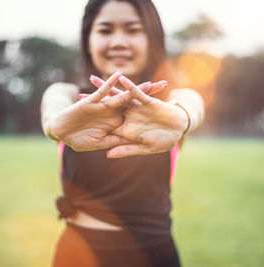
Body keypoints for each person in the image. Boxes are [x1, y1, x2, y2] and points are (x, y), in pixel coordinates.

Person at [40, 0, 204, 266]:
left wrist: (185, 116)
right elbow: (53, 108)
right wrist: (53, 124)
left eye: (133, 30)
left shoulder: (169, 107)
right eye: (105, 30)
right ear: (88, 39)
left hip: (154, 256)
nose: (118, 42)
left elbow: (191, 102)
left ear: (152, 39)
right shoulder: (69, 95)